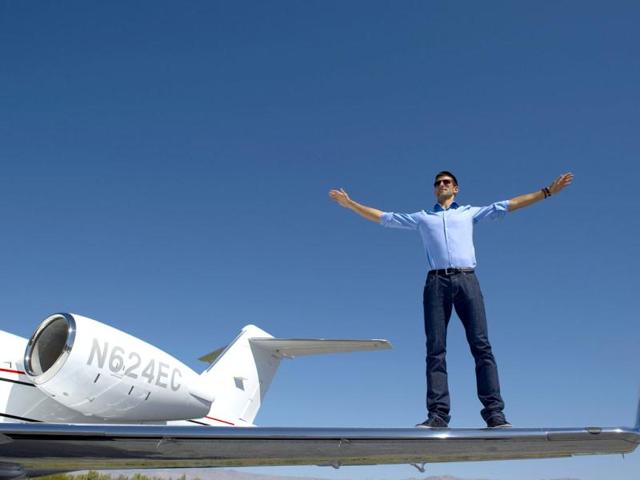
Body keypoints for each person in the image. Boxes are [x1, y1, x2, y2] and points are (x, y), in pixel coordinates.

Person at [328, 171, 573, 428]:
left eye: (446, 182)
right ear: (435, 190)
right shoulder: (423, 217)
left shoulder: (469, 212)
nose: (441, 185)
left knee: (481, 346)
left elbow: (509, 204)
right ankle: (438, 415)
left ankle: (494, 413)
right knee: (435, 349)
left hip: (467, 280)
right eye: (437, 183)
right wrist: (351, 204)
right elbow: (384, 218)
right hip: (436, 283)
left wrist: (547, 192)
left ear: (455, 188)